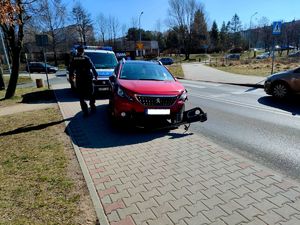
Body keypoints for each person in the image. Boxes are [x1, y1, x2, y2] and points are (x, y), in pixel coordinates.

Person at [69, 45, 98, 116]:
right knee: (92, 93)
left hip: (79, 79)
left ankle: (85, 111)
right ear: (83, 51)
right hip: (88, 78)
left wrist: (71, 77)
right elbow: (92, 66)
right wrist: (96, 74)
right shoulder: (86, 58)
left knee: (81, 96)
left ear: (77, 51)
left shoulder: (74, 58)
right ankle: (92, 106)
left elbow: (71, 69)